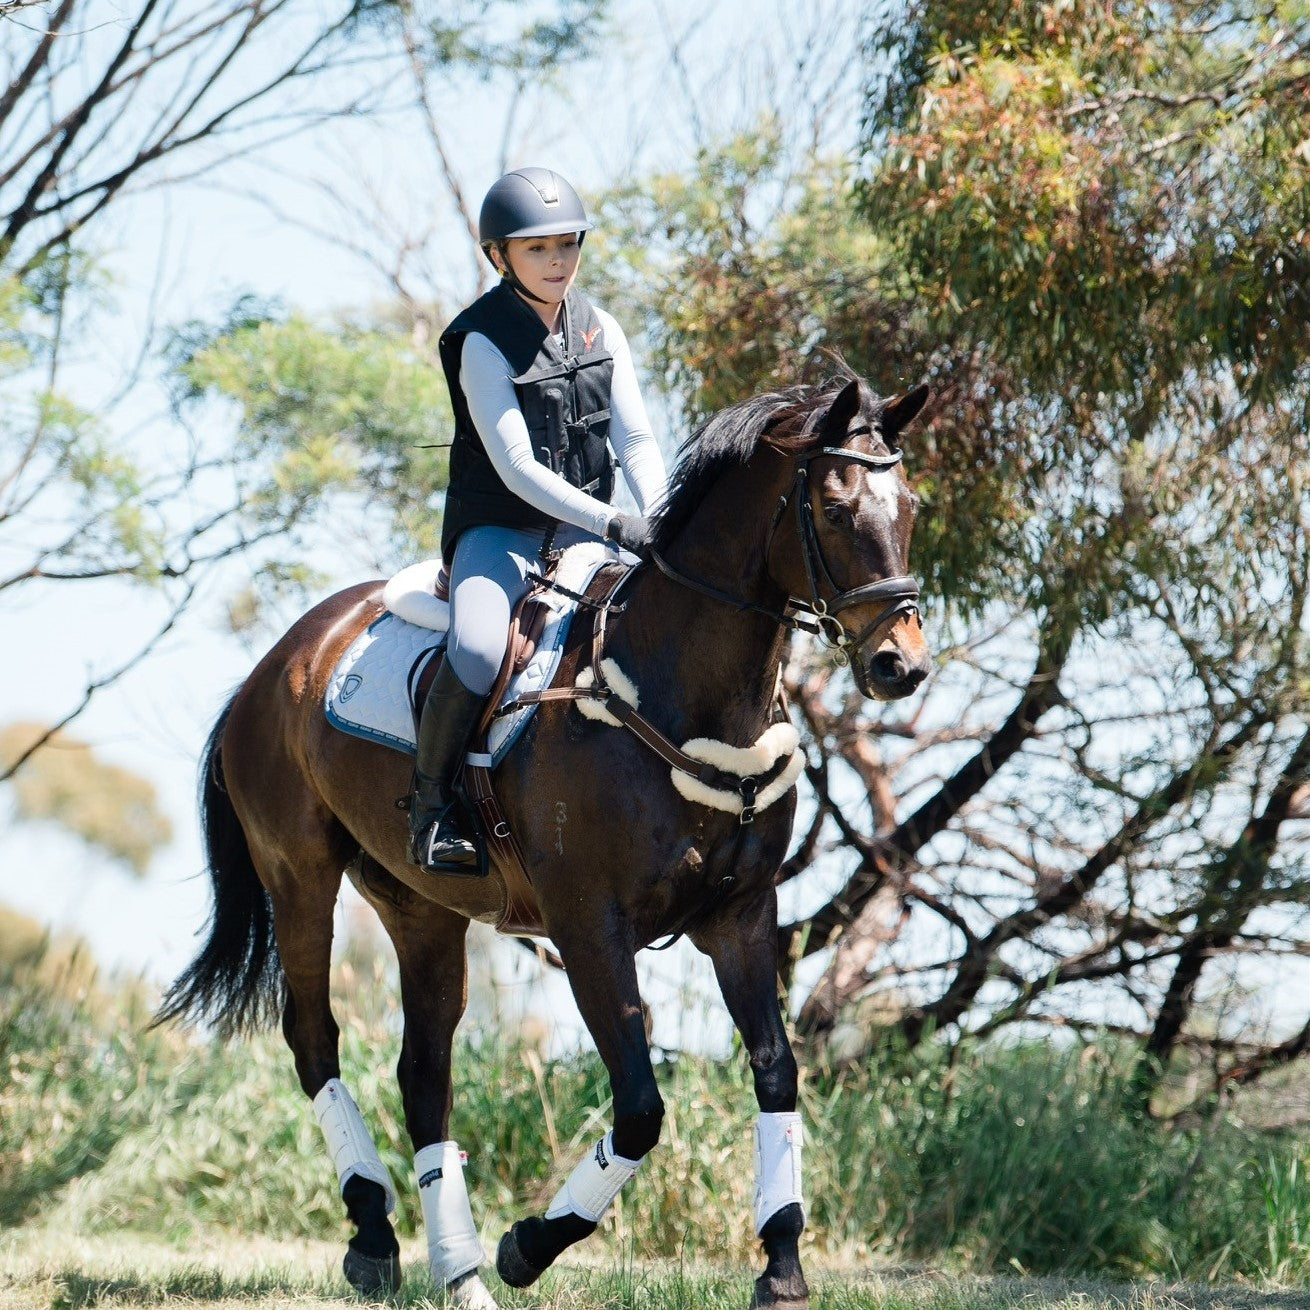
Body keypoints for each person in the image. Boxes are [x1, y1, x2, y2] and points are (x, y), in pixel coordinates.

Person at [409, 166, 669, 877]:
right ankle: (432, 808)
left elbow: (637, 442)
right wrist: (617, 523)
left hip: (590, 535)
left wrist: (663, 516)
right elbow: (519, 469)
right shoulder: (480, 341)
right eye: (536, 249)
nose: (558, 263)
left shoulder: (599, 325)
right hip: (503, 534)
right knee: (477, 649)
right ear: (498, 256)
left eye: (567, 245)